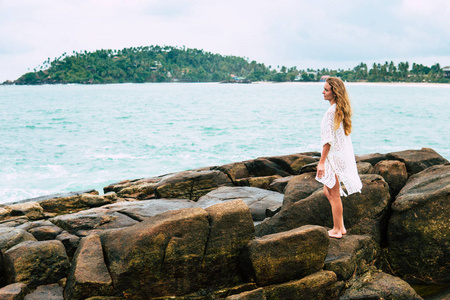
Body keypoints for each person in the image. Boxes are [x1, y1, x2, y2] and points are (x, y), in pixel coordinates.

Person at [315, 77, 362, 239]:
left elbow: (328, 140)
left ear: (334, 93)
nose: (323, 92)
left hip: (333, 158)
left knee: (334, 195)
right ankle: (340, 226)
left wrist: (321, 162)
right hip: (337, 156)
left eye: (326, 90)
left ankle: (337, 230)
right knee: (327, 191)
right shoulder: (338, 110)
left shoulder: (331, 112)